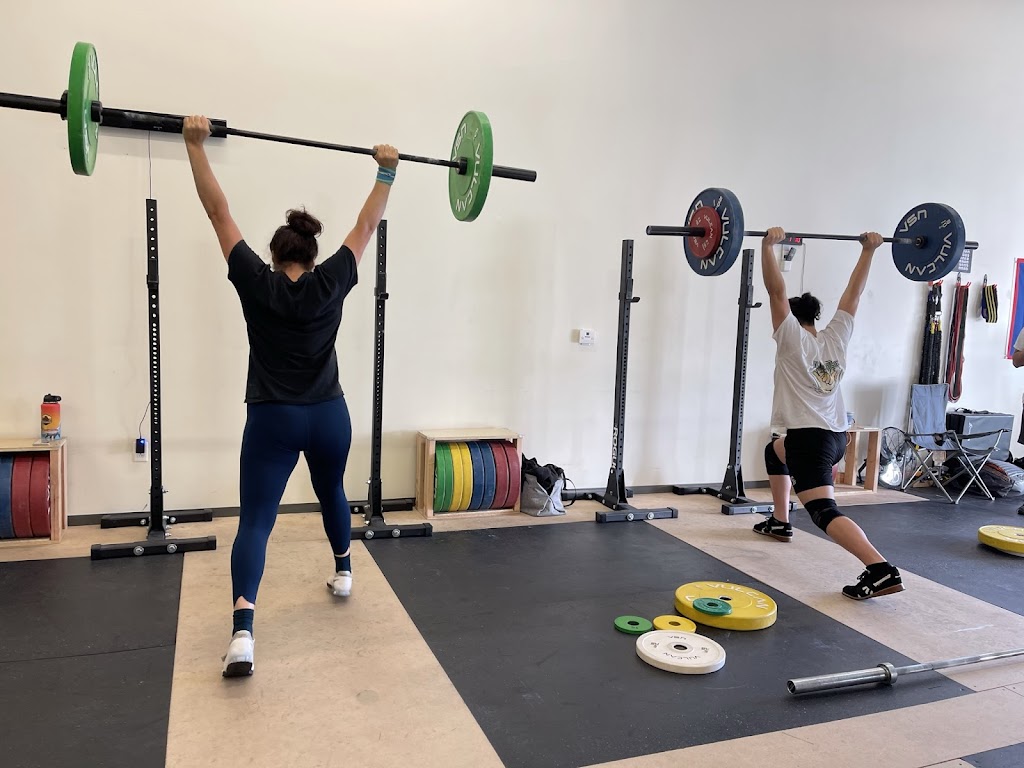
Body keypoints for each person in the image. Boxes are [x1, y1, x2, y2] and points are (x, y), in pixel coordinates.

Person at [182, 115, 399, 677]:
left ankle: (243, 635)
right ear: (312, 254)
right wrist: (386, 171)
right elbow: (367, 224)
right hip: (329, 416)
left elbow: (218, 213)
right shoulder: (333, 280)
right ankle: (344, 572)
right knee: (331, 491)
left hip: (273, 420)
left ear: (276, 257)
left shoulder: (257, 282)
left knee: (256, 522)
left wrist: (194, 145)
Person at [752, 227, 904, 600]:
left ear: (791, 317)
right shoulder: (836, 336)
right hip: (836, 436)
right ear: (815, 317)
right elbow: (853, 294)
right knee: (774, 450)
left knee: (822, 511)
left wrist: (768, 246)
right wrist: (869, 251)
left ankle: (880, 569)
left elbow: (775, 292)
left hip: (810, 440)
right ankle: (780, 521)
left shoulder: (790, 337)